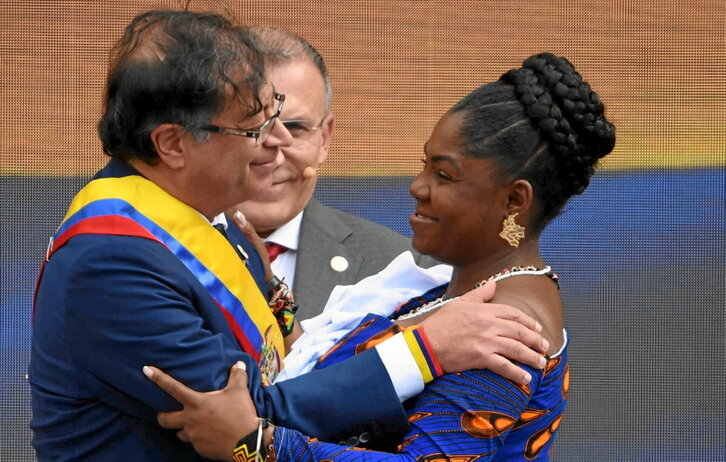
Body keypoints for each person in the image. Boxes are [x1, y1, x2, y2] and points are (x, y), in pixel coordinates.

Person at [29, 10, 548, 461]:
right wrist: (426, 350)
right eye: (251, 130)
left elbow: (285, 369)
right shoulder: (115, 261)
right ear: (173, 144)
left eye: (282, 124)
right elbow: (245, 420)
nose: (267, 150)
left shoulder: (215, 222)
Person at [145, 52, 616, 460]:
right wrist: (272, 296)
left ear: (515, 201)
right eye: (424, 165)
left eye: (445, 176)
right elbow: (343, 381)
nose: (418, 187)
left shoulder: (506, 330)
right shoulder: (456, 292)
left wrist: (252, 442)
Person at [230, 27, 434, 319]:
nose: (271, 153)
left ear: (324, 139)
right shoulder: (152, 248)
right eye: (250, 129)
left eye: (295, 128)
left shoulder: (405, 271)